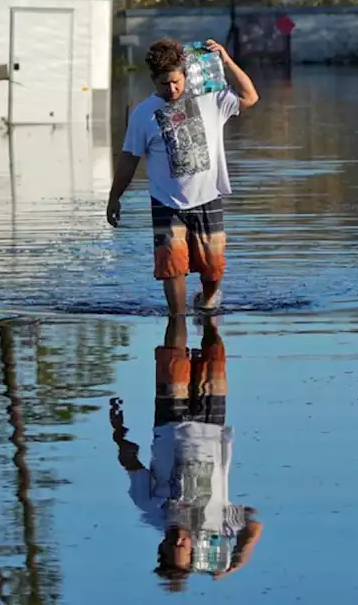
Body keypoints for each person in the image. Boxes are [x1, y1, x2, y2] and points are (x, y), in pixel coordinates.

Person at [109, 315, 264, 591]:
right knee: (214, 354)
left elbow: (131, 463)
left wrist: (118, 429)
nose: (178, 539)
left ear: (162, 545)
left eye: (171, 544)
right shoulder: (217, 523)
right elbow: (254, 526)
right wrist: (236, 562)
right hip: (212, 427)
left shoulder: (149, 508)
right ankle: (209, 318)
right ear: (193, 550)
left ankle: (178, 310)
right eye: (183, 546)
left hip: (170, 423)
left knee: (174, 355)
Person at [106, 38, 259, 315]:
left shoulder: (211, 99)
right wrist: (114, 198)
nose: (172, 89)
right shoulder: (143, 114)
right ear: (153, 80)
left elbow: (250, 97)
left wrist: (226, 60)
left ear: (185, 74)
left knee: (213, 267)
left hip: (207, 197)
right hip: (167, 202)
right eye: (164, 84)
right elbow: (129, 159)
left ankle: (207, 300)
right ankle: (177, 319)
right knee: (172, 267)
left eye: (177, 81)